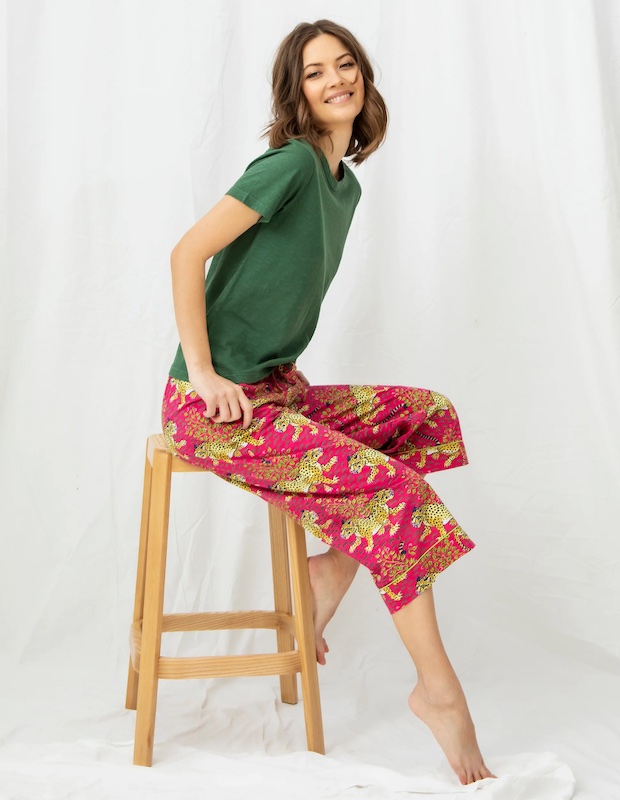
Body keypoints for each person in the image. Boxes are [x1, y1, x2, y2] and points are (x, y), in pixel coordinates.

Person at [162, 18, 495, 786]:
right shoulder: (289, 165)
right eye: (315, 72)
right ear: (297, 91)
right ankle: (439, 693)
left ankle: (332, 572)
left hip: (278, 392)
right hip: (215, 410)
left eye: (345, 64)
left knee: (428, 415)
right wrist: (203, 373)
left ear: (364, 76)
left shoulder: (345, 182)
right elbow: (186, 252)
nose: (335, 79)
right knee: (397, 494)